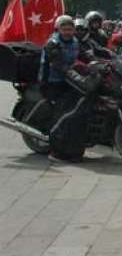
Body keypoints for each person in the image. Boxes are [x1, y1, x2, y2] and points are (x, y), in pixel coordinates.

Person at [39, 15, 94, 162]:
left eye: (70, 29)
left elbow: (83, 56)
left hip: (68, 81)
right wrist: (74, 74)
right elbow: (58, 64)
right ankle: (56, 150)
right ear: (59, 29)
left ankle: (75, 146)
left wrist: (98, 62)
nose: (68, 32)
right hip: (52, 82)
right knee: (67, 113)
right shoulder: (53, 43)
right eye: (65, 29)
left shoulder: (75, 42)